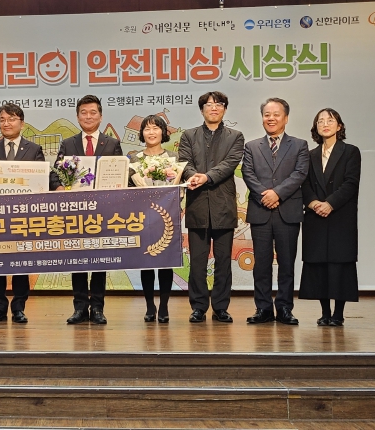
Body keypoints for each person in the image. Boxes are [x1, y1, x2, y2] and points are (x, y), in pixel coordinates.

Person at [50, 95, 123, 325]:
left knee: (100, 259)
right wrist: (59, 186)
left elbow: (120, 172)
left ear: (100, 116)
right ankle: (80, 307)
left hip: (103, 211)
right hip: (76, 211)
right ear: (77, 116)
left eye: (93, 112)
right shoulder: (68, 143)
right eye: (84, 112)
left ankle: (98, 307)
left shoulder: (112, 144)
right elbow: (55, 173)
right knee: (78, 259)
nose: (88, 116)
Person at [242, 98, 309, 325]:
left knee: (287, 263)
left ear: (286, 118)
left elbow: (300, 173)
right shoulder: (251, 146)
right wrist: (266, 195)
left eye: (276, 114)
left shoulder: (299, 145)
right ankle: (263, 309)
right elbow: (248, 174)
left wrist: (277, 194)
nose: (270, 118)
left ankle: (284, 308)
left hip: (287, 211)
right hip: (260, 210)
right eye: (267, 114)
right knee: (261, 264)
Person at [178, 91, 244, 324]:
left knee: (223, 261)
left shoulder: (235, 136)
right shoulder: (189, 135)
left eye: (218, 104)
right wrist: (192, 175)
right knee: (197, 261)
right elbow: (184, 162)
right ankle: (198, 307)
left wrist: (206, 177)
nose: (213, 108)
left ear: (224, 109)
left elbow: (230, 163)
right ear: (202, 109)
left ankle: (221, 307)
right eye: (208, 104)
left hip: (223, 205)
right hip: (197, 204)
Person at [0, 103, 45, 324]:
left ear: (22, 123)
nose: (6, 123)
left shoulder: (34, 149)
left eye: (11, 119)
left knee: (21, 263)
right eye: (2, 120)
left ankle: (19, 307)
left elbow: (41, 181)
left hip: (23, 216)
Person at [299, 109, 361, 326]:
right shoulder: (310, 155)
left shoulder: (350, 152)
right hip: (315, 216)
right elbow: (304, 183)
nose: (325, 124)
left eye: (330, 120)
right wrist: (314, 203)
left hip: (340, 216)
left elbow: (351, 183)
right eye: (320, 121)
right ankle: (325, 313)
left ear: (339, 126)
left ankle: (338, 314)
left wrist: (330, 204)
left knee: (339, 264)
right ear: (315, 127)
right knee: (319, 265)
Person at [127, 115, 176, 324]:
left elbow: (179, 187)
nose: (151, 132)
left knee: (166, 262)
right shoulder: (133, 158)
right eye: (147, 129)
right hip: (142, 216)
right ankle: (149, 305)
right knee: (145, 261)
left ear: (163, 132)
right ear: (142, 133)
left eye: (156, 128)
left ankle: (164, 306)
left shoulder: (174, 157)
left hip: (167, 216)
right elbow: (128, 187)